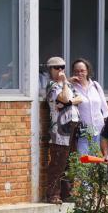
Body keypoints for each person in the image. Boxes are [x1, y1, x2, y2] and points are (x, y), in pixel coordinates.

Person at [44, 56, 77, 205]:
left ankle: (66, 193)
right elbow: (63, 98)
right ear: (50, 70)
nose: (60, 70)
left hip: (72, 126)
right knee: (58, 162)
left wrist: (68, 100)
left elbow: (79, 98)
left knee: (69, 162)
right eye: (57, 68)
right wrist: (65, 85)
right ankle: (53, 195)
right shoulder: (52, 86)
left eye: (62, 67)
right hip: (59, 130)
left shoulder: (67, 85)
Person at [70, 58, 108, 156]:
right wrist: (68, 82)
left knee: (97, 160)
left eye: (82, 71)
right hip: (83, 130)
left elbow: (105, 108)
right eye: (76, 71)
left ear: (87, 71)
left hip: (99, 128)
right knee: (83, 160)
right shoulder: (71, 87)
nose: (80, 73)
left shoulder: (95, 86)